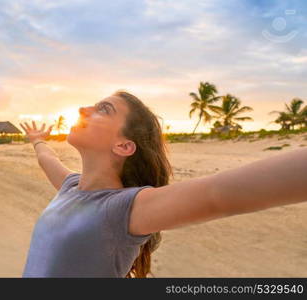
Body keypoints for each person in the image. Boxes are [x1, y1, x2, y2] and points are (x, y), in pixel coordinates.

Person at [19, 90, 307, 278]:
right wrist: (38, 141)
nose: (83, 108)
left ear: (123, 145)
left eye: (103, 109)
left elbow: (217, 195)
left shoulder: (125, 209)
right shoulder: (71, 187)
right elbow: (47, 159)